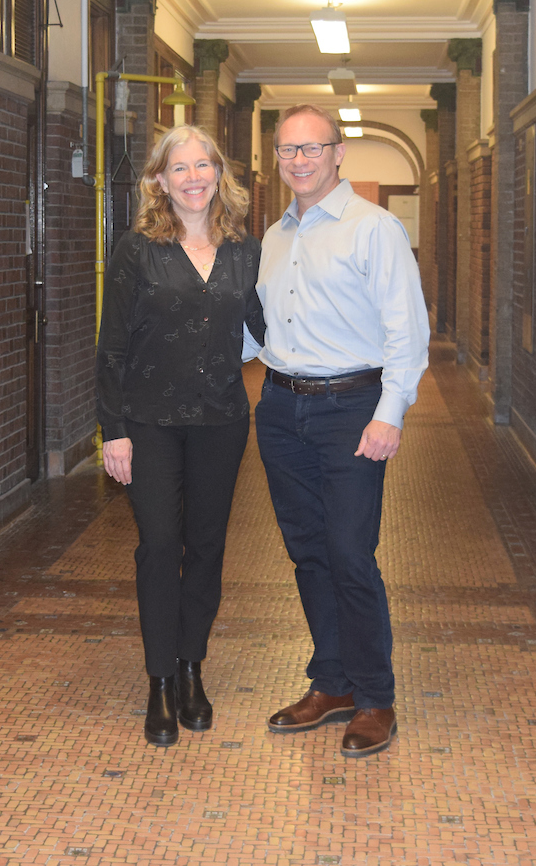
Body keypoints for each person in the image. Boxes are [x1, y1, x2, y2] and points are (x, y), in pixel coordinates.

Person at [256, 104, 430, 757]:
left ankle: (375, 695)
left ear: (338, 154)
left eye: (312, 148)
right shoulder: (274, 237)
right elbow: (263, 328)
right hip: (281, 409)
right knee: (309, 551)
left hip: (351, 409)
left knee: (351, 553)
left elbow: (406, 330)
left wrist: (390, 412)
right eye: (287, 150)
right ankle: (330, 682)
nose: (299, 160)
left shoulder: (374, 229)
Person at [96, 124, 265, 747]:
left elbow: (270, 327)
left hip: (221, 420)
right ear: (159, 181)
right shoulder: (137, 249)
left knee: (209, 548)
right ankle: (159, 681)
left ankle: (193, 667)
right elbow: (112, 348)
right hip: (149, 424)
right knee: (161, 546)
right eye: (180, 168)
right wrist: (112, 431)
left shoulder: (246, 252)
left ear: (220, 174)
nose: (193, 178)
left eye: (204, 166)